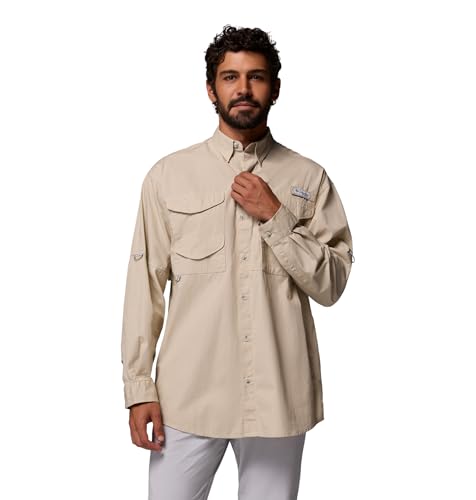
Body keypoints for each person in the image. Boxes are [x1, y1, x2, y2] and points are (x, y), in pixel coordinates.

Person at [121, 24, 354, 500]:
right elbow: (144, 287)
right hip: (188, 397)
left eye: (256, 77)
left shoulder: (309, 178)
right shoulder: (168, 176)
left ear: (275, 88)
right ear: (211, 89)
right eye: (230, 77)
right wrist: (139, 387)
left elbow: (332, 284)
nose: (243, 89)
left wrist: (276, 216)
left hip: (278, 396)